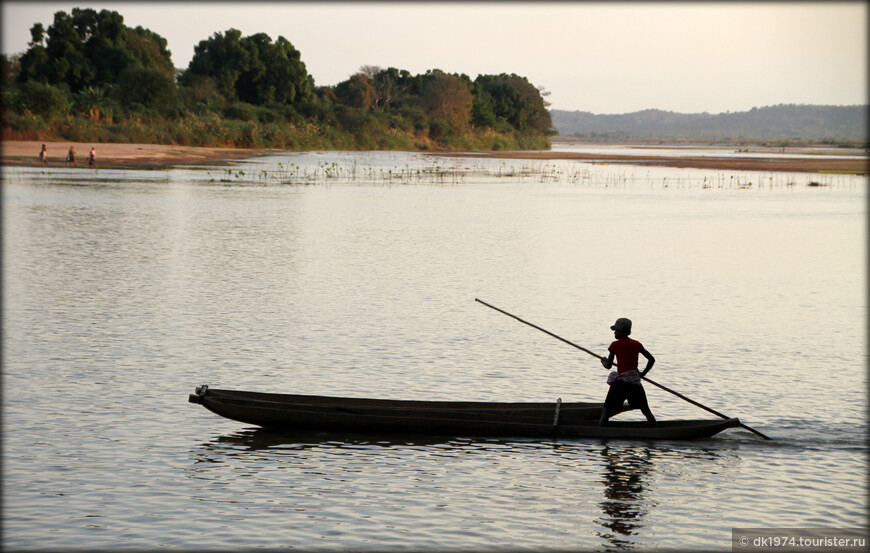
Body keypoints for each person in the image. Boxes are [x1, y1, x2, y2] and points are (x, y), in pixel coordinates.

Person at [599, 317, 656, 426]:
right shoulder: (636, 344)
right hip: (634, 382)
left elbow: (608, 366)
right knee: (645, 410)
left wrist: (603, 361)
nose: (614, 332)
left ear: (621, 332)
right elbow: (651, 360)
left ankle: (600, 431)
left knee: (607, 409)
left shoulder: (614, 345)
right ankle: (656, 430)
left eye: (615, 330)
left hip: (620, 383)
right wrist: (643, 374)